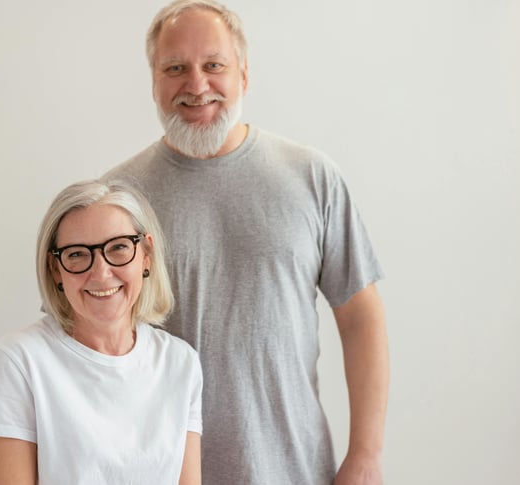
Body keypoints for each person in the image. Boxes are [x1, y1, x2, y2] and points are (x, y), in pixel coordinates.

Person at [103, 1, 389, 484]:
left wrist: (366, 455)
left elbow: (362, 317)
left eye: (214, 65)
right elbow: (80, 347)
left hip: (295, 471)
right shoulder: (116, 199)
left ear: (244, 74)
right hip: (159, 474)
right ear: (153, 80)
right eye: (175, 68)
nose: (197, 85)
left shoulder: (311, 177)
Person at [0, 180, 203, 485]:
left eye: (118, 247)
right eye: (77, 254)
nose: (100, 273)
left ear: (146, 255)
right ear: (56, 269)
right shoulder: (18, 362)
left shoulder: (180, 363)